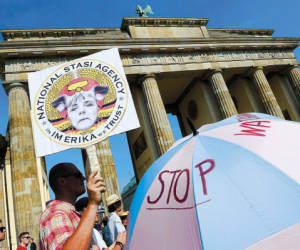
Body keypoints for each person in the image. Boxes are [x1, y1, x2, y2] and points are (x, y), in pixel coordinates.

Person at [39, 162, 106, 250]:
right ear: (62, 181)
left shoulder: (68, 213)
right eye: (77, 175)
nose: (83, 178)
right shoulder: (55, 213)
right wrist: (93, 204)